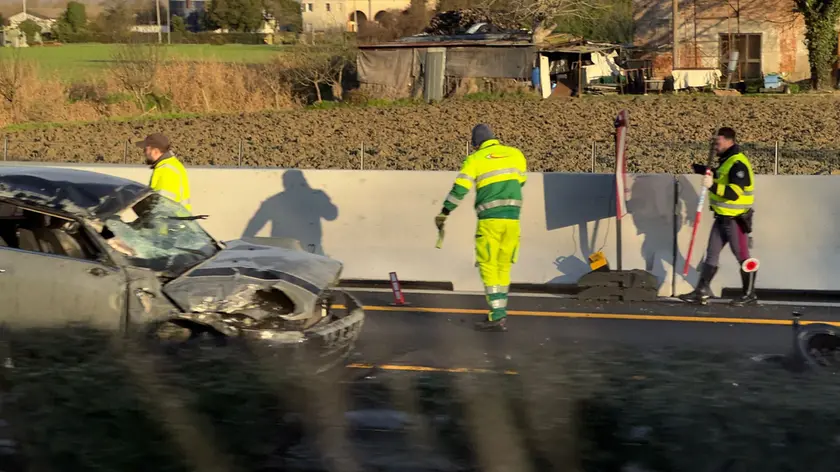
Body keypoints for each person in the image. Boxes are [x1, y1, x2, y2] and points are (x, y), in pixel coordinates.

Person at [435, 124, 527, 332]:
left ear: (476, 145)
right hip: (512, 220)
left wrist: (445, 211)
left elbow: (460, 189)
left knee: (488, 265)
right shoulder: (516, 154)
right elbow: (520, 182)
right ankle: (499, 311)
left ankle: (497, 315)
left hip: (490, 222)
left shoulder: (475, 160)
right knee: (504, 266)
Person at [679, 127, 757, 306]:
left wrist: (711, 185)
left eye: (718, 141)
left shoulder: (738, 163)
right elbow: (722, 176)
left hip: (735, 220)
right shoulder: (726, 160)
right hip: (722, 218)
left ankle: (749, 294)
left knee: (743, 257)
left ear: (729, 141)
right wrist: (704, 170)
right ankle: (701, 291)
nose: (715, 145)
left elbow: (734, 193)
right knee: (711, 255)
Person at [136, 133, 192, 212]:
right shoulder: (172, 164)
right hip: (178, 221)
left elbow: (161, 205)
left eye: (145, 149)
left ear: (155, 151)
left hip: (170, 223)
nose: (144, 153)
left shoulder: (165, 169)